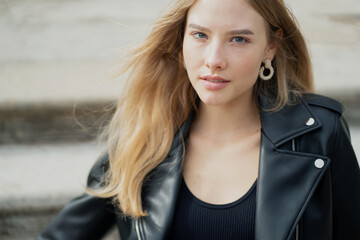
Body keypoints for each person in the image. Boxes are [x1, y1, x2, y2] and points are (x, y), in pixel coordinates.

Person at [38, 0, 360, 239]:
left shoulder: (319, 135)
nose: (214, 60)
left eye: (239, 39)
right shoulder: (144, 141)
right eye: (200, 35)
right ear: (181, 40)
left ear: (270, 47)